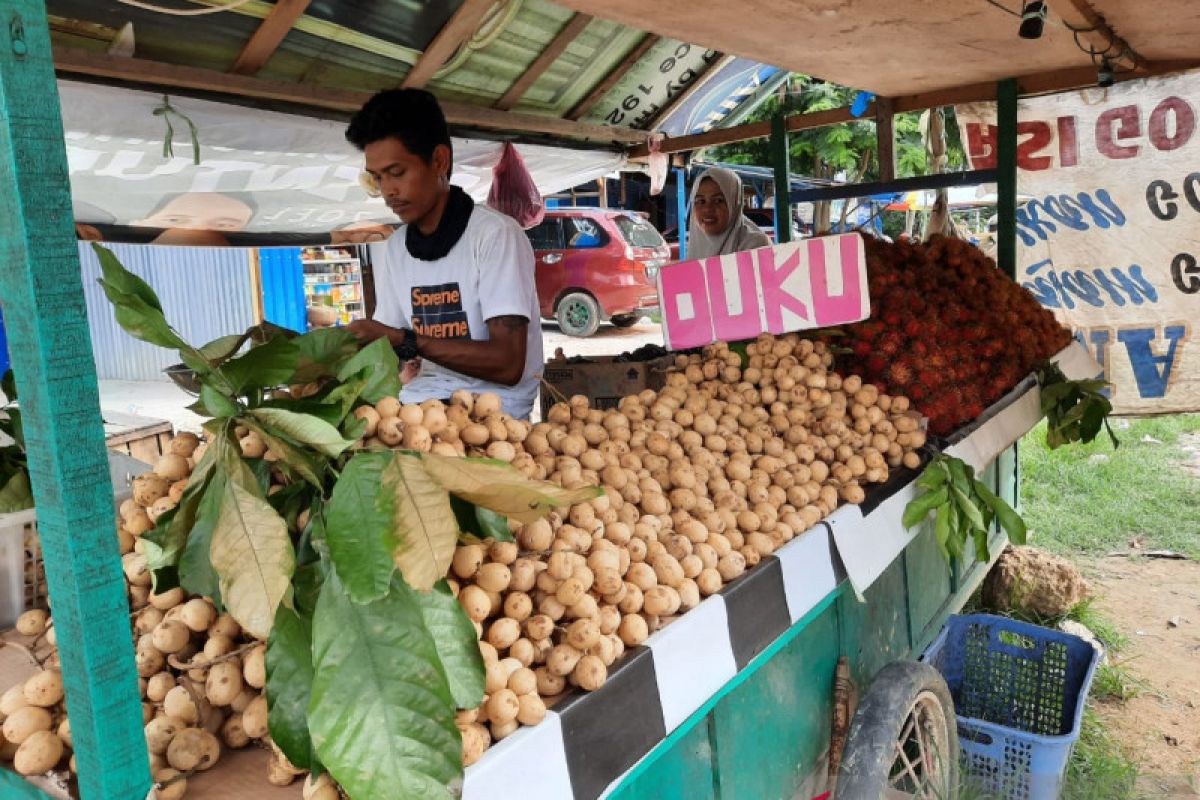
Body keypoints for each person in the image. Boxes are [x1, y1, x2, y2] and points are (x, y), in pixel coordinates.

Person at [343, 88, 542, 419]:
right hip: (422, 407)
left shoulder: (495, 235)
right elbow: (388, 349)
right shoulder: (395, 247)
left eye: (397, 173)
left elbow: (508, 364)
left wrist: (406, 340)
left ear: (439, 161)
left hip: (492, 413)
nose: (388, 191)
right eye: (378, 179)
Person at [687, 167, 771, 259]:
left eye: (718, 200)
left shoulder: (756, 246)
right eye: (701, 201)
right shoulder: (697, 244)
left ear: (735, 203)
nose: (707, 209)